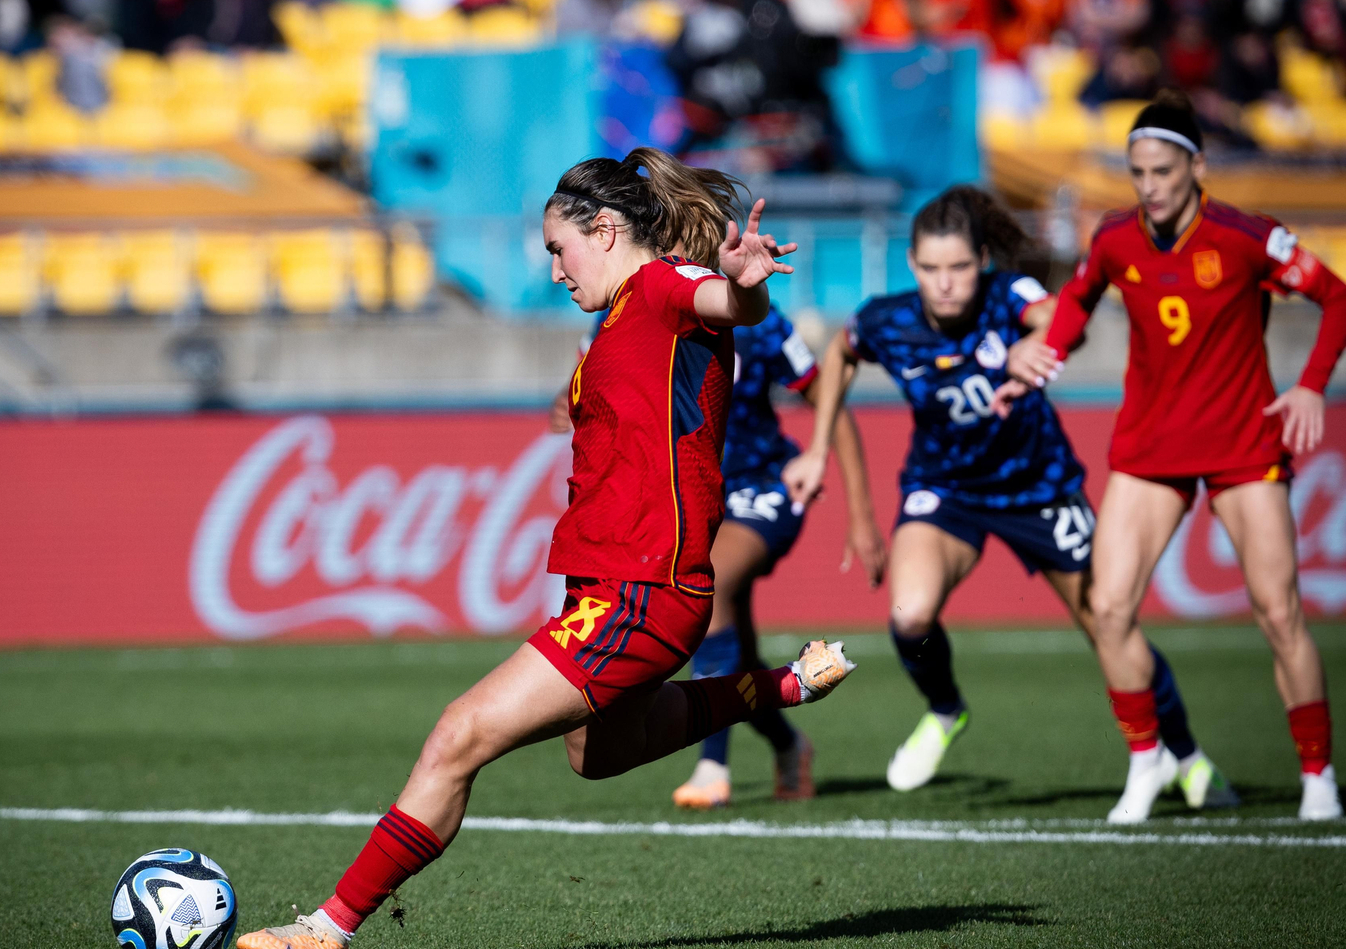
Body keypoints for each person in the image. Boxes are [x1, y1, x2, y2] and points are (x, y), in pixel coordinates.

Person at [234, 149, 857, 949]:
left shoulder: (667, 287)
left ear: (605, 229)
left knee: (459, 734)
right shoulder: (622, 317)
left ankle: (329, 927)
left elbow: (727, 300)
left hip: (643, 587)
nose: (556, 271)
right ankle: (777, 686)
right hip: (613, 587)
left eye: (559, 251)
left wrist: (745, 281)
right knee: (594, 753)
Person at [793, 185, 1235, 817]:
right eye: (931, 269)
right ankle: (945, 711)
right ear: (912, 266)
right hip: (944, 491)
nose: (946, 284)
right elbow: (840, 354)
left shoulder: (1008, 298)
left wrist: (1044, 343)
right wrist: (816, 447)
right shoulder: (886, 319)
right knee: (909, 615)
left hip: (1039, 488)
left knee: (1108, 625)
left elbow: (1063, 318)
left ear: (983, 263)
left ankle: (1185, 755)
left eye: (960, 268)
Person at [997, 90, 1346, 822]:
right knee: (1110, 607)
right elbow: (1078, 301)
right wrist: (1042, 350)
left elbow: (1336, 297)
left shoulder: (1248, 236)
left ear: (1197, 165)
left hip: (1243, 447)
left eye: (1161, 171)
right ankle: (1148, 760)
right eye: (1137, 173)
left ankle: (1317, 778)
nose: (1148, 187)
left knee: (1278, 614)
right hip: (1149, 448)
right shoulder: (1116, 238)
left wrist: (1311, 386)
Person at [552, 303, 882, 809]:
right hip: (689, 500)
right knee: (735, 650)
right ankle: (789, 743)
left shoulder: (759, 322)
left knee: (714, 581)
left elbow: (829, 402)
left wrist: (861, 517)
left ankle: (713, 767)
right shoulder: (623, 312)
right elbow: (580, 387)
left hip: (763, 487)